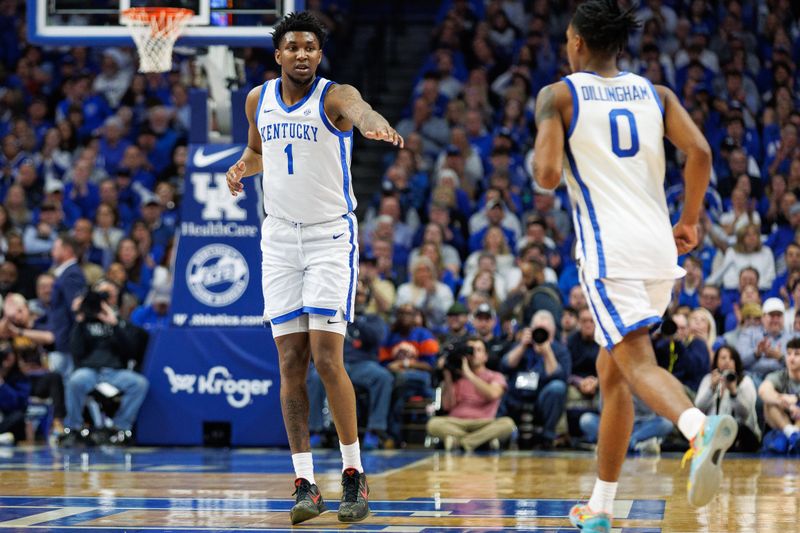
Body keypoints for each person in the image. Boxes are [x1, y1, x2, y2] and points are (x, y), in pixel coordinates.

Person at [532, 2, 736, 530]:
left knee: (638, 364)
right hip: (659, 250)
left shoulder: (558, 95)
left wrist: (543, 143)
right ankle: (599, 508)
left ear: (576, 42)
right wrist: (689, 220)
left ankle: (698, 426)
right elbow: (701, 153)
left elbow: (549, 174)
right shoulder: (657, 94)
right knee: (614, 374)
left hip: (610, 253)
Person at [224, 12, 402, 525]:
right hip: (278, 238)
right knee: (289, 364)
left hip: (329, 237)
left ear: (319, 55)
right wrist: (241, 166)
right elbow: (261, 151)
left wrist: (372, 123)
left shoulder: (333, 95)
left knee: (328, 358)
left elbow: (359, 108)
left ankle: (353, 475)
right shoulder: (258, 99)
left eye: (311, 48)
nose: (303, 54)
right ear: (278, 54)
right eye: (293, 47)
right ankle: (304, 481)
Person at [307, 282, 392, 451]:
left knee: (383, 377)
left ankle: (375, 430)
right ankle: (316, 430)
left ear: (366, 299)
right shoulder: (334, 315)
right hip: (335, 363)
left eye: (360, 294)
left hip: (362, 365)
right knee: (315, 376)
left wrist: (357, 319)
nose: (356, 297)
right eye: (354, 293)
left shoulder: (373, 319)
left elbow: (377, 338)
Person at [427, 337, 515, 452]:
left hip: (484, 422)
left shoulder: (495, 376)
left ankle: (461, 442)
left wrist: (468, 373)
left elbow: (493, 394)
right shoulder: (456, 377)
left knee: (508, 424)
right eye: (470, 350)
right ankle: (482, 441)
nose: (474, 354)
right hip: (457, 422)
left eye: (478, 350)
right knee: (433, 424)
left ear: (486, 356)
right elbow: (448, 405)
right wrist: (447, 374)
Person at [695, 346, 761, 452]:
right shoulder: (708, 380)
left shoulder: (745, 381)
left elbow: (746, 414)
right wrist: (711, 389)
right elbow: (698, 408)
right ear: (716, 361)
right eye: (723, 358)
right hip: (713, 432)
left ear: (736, 362)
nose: (727, 361)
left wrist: (733, 392)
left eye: (731, 358)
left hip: (741, 435)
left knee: (739, 429)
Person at [758, 337, 800, 454]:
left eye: (797, 354)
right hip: (781, 427)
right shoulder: (779, 375)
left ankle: (793, 435)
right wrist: (787, 405)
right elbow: (763, 391)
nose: (791, 358)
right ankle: (791, 433)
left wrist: (796, 398)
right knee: (769, 403)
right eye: (789, 354)